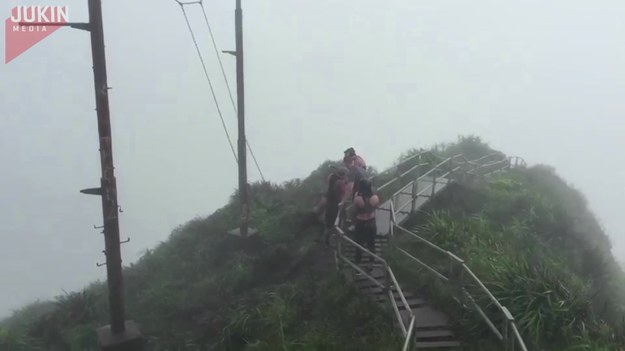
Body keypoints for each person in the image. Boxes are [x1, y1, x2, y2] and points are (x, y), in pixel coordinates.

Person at [353, 179, 380, 271]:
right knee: (371, 244)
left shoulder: (357, 197)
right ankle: (371, 264)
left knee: (359, 244)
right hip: (371, 222)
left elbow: (355, 208)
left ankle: (357, 265)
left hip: (360, 223)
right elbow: (376, 207)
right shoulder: (375, 197)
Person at [318, 169, 347, 246]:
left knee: (329, 224)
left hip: (330, 205)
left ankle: (326, 241)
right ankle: (336, 242)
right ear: (343, 175)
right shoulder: (340, 182)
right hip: (336, 205)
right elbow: (344, 192)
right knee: (337, 223)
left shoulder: (331, 182)